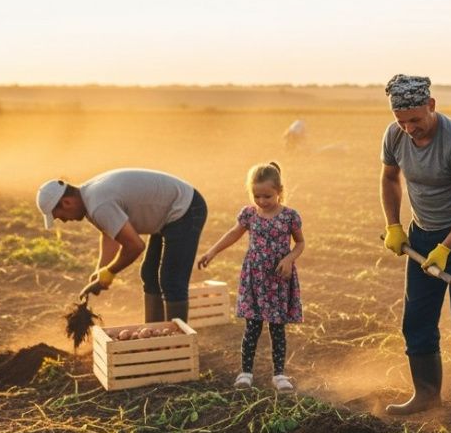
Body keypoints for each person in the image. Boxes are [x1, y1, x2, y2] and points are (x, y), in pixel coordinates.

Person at [379, 74, 451, 433]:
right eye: (402, 120)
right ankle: (426, 394)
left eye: (416, 119)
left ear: (431, 105)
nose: (410, 128)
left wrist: (447, 247)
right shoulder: (394, 135)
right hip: (422, 233)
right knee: (417, 320)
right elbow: (389, 178)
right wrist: (394, 225)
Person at [36, 168, 208, 322]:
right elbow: (110, 233)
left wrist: (109, 273)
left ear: (66, 202)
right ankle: (156, 336)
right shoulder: (89, 197)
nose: (64, 221)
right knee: (149, 274)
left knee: (171, 280)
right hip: (166, 215)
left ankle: (177, 346)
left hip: (185, 209)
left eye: (60, 216)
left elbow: (135, 246)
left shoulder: (98, 204)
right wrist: (100, 271)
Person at [196, 162, 304, 392]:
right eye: (257, 196)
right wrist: (212, 251)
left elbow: (300, 243)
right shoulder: (249, 214)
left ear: (279, 191)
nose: (262, 201)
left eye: (267, 196)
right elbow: (233, 233)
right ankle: (245, 373)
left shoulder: (289, 217)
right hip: (254, 278)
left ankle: (279, 375)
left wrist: (289, 259)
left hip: (277, 280)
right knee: (252, 328)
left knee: (277, 329)